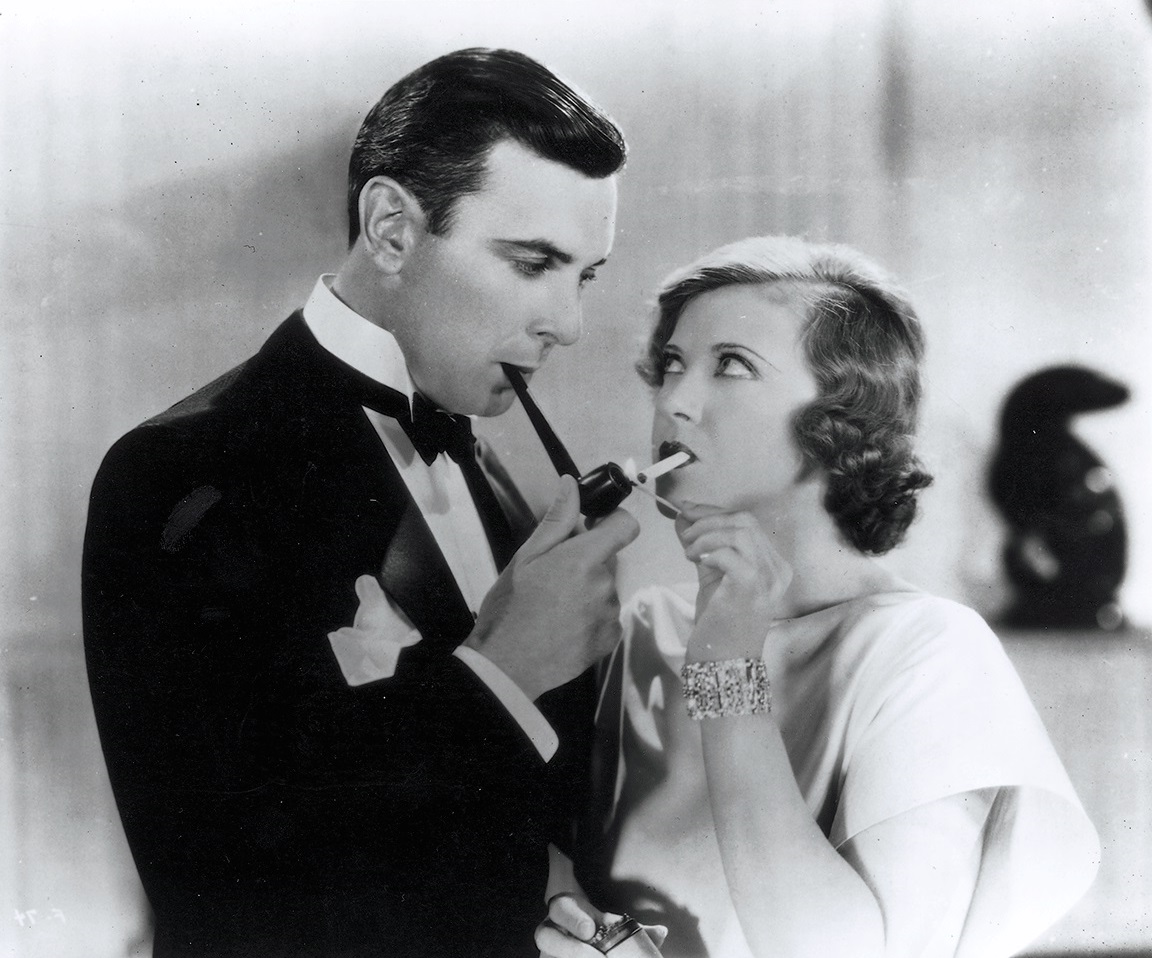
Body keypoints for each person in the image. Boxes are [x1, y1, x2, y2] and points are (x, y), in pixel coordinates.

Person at [82, 48, 639, 958]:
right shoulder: (179, 472)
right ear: (390, 230)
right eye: (533, 263)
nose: (568, 325)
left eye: (584, 275)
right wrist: (502, 670)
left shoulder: (493, 468)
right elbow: (225, 891)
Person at [537, 236, 1100, 958]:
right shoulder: (648, 626)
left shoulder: (931, 652)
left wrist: (726, 668)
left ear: (839, 420)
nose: (674, 401)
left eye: (731, 365)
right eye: (673, 364)